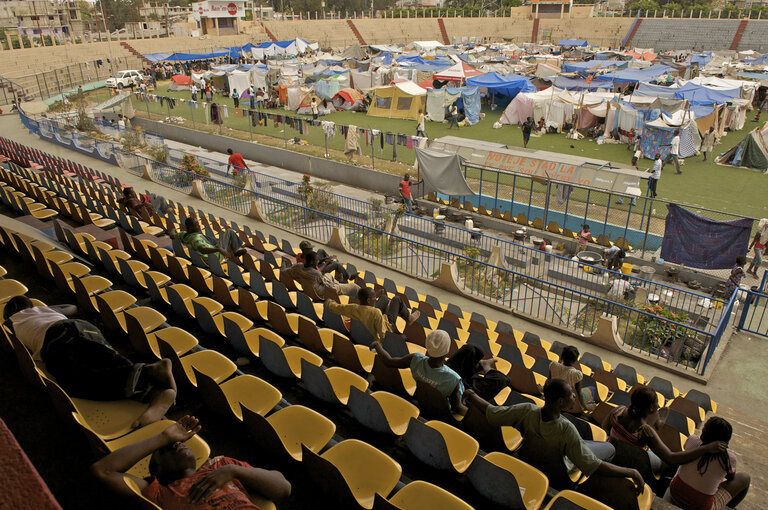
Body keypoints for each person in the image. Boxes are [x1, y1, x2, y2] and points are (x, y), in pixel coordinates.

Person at [3, 297, 176, 428]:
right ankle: (155, 389)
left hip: (56, 338)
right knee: (110, 361)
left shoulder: (12, 321)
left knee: (75, 380)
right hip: (81, 326)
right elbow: (71, 307)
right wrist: (48, 309)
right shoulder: (43, 310)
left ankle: (148, 377)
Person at [464, 379, 645, 492]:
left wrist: (472, 395)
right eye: (571, 395)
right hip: (563, 470)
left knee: (583, 444)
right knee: (609, 448)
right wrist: (631, 472)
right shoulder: (566, 430)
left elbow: (492, 413)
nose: (574, 397)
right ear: (560, 402)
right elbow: (592, 465)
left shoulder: (526, 410)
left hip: (534, 457)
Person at [91, 416, 291, 508]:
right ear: (158, 471)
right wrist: (162, 438)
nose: (177, 444)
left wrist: (233, 470)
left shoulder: (222, 466)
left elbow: (283, 488)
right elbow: (103, 471)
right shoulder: (160, 491)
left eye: (176, 442)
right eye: (168, 448)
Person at [602, 386, 726, 478]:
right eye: (656, 402)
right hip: (634, 462)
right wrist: (706, 448)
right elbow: (671, 458)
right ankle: (661, 484)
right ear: (651, 407)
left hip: (613, 453)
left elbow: (605, 428)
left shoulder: (617, 411)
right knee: (669, 464)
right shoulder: (645, 431)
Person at [372, 330, 468, 415]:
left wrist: (378, 346)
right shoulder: (454, 379)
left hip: (421, 402)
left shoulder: (415, 359)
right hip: (439, 413)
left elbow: (389, 361)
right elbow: (456, 407)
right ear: (447, 351)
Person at [666, 417, 750, 510]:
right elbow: (730, 478)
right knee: (744, 478)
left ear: (705, 431)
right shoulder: (729, 458)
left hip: (675, 493)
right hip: (701, 507)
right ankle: (727, 507)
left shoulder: (692, 440)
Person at [325, 287, 419, 343]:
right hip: (386, 326)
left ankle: (388, 306)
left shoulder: (353, 308)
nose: (375, 299)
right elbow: (383, 335)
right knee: (397, 299)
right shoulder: (376, 312)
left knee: (384, 298)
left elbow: (336, 307)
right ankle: (409, 318)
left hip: (366, 319)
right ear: (369, 300)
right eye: (374, 297)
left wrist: (329, 302)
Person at [543, 345, 597, 414]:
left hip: (552, 397)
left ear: (562, 356)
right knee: (591, 389)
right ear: (575, 360)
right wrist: (586, 406)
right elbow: (579, 393)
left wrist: (543, 391)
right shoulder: (577, 374)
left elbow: (548, 381)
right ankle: (587, 405)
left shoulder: (553, 365)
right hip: (568, 403)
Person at [169, 216, 246, 262]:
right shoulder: (195, 239)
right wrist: (219, 250)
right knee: (229, 232)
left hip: (209, 249)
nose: (199, 226)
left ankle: (227, 246)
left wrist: (172, 229)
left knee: (207, 237)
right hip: (215, 256)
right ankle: (235, 252)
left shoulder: (182, 234)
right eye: (197, 225)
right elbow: (202, 249)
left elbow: (172, 235)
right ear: (191, 227)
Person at [286, 251, 359, 299]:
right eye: (317, 260)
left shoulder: (298, 266)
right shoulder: (316, 273)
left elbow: (288, 271)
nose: (318, 261)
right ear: (312, 262)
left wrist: (284, 264)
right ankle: (342, 284)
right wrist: (339, 281)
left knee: (327, 275)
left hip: (311, 288)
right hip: (322, 293)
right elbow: (329, 286)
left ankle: (340, 283)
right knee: (354, 287)